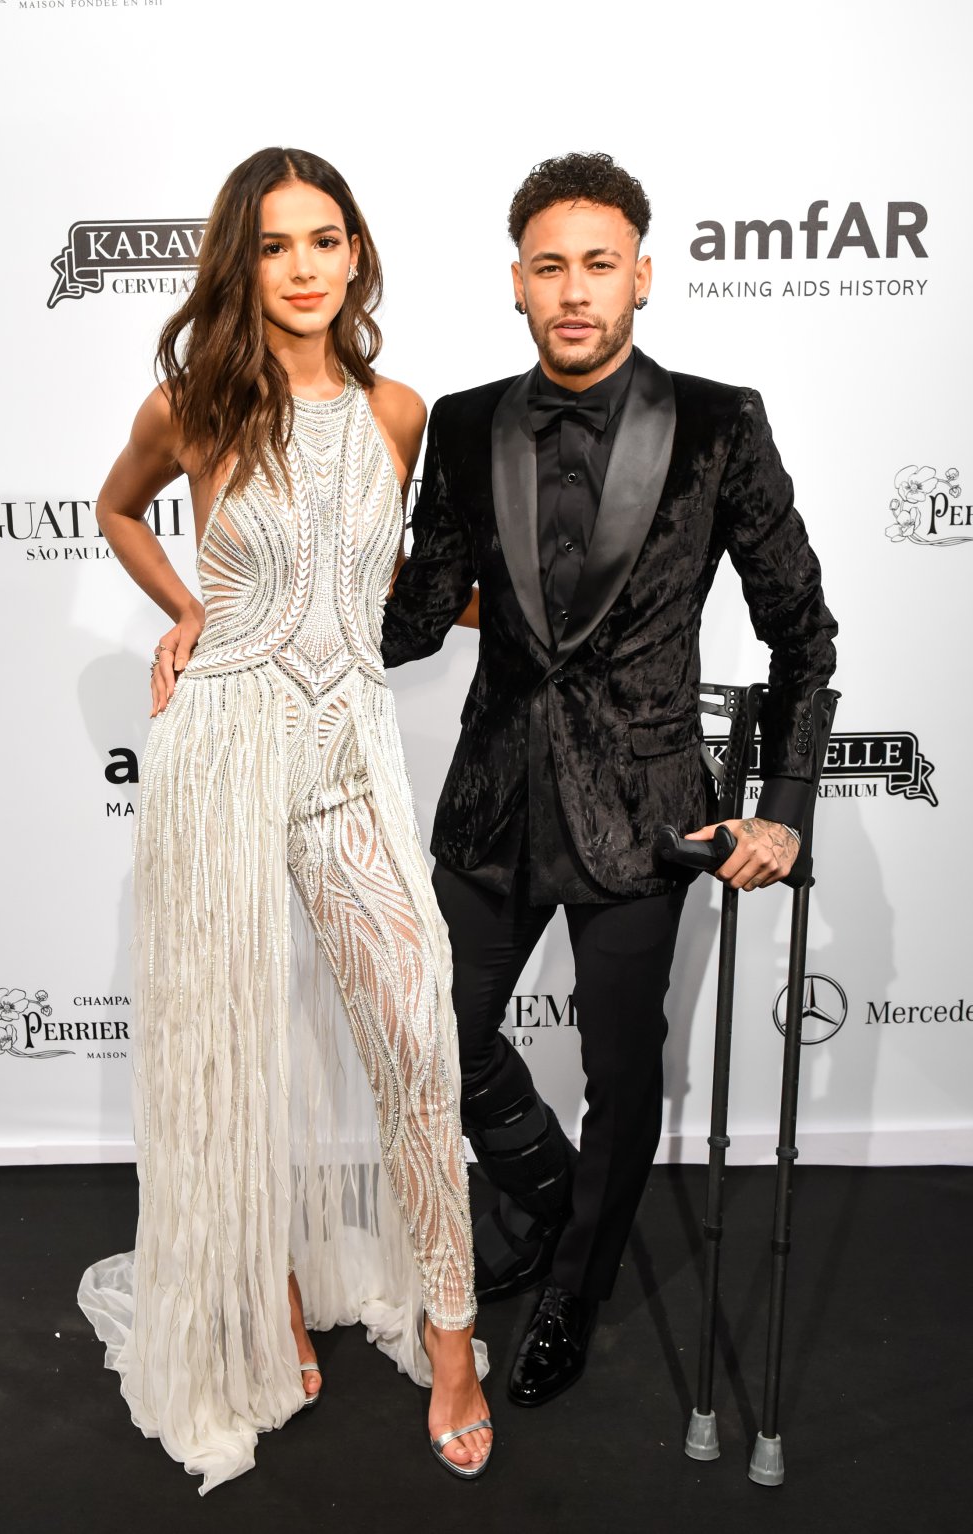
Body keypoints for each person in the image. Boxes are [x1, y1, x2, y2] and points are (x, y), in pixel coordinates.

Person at [381, 152, 838, 1409]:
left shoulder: (720, 419)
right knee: (433, 1044)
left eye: (597, 263)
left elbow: (802, 633)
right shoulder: (464, 425)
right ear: (515, 285)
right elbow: (418, 612)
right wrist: (269, 604)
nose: (573, 290)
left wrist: (782, 813)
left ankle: (573, 1288)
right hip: (488, 804)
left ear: (641, 272)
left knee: (624, 1074)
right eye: (548, 266)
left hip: (647, 815)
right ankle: (546, 1192)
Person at [78, 147, 492, 1491]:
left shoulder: (399, 409)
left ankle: (452, 1338)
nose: (307, 266)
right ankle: (256, 1306)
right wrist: (188, 610)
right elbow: (117, 510)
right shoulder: (190, 402)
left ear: (359, 253)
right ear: (239, 262)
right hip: (221, 752)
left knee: (415, 1022)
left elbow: (387, 593)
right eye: (275, 245)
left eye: (328, 239)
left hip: (351, 750)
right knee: (232, 1053)